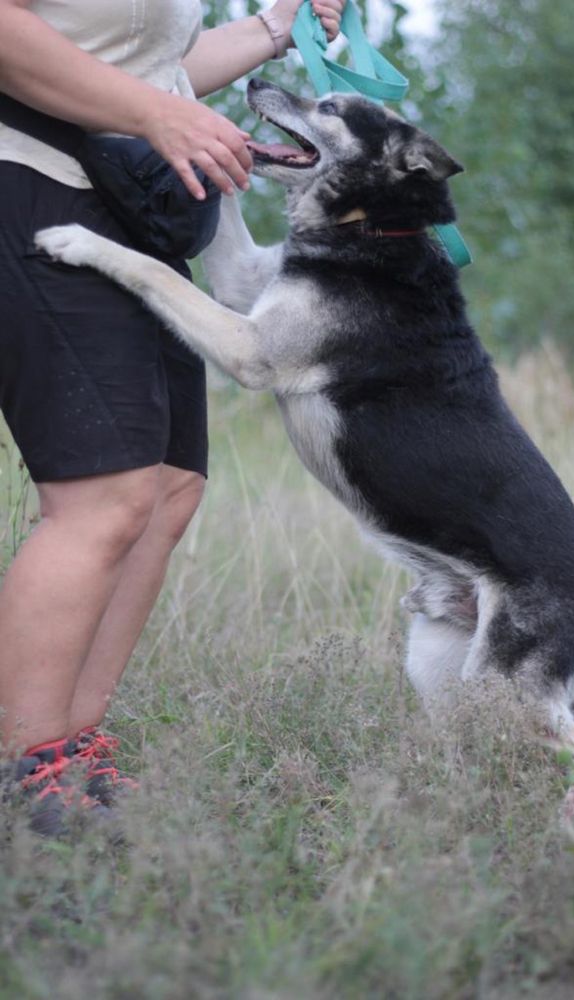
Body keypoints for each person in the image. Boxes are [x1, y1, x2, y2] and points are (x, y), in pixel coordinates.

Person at [0, 0, 344, 833]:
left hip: (129, 202)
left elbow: (153, 68)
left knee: (165, 490)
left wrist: (274, 27)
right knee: (106, 496)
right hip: (32, 183)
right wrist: (158, 113)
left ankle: (71, 753)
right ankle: (25, 768)